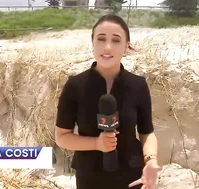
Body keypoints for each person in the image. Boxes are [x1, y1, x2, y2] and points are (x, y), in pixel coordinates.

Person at [55, 14, 162, 189]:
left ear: (127, 46)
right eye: (101, 39)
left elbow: (146, 133)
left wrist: (151, 162)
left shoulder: (138, 85)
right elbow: (62, 137)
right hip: (89, 175)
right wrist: (96, 143)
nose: (107, 47)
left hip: (132, 174)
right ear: (93, 43)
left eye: (116, 40)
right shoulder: (75, 85)